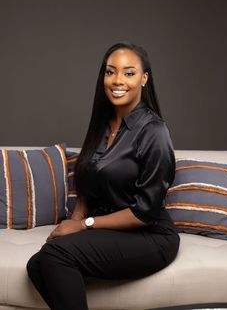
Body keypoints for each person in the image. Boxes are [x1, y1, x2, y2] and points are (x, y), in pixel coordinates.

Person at [27, 41, 180, 310]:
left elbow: (144, 213)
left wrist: (83, 225)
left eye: (129, 73)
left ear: (144, 79)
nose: (117, 80)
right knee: (37, 264)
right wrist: (73, 221)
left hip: (149, 235)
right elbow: (87, 184)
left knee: (56, 256)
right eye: (110, 72)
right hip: (107, 229)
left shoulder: (154, 131)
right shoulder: (103, 124)